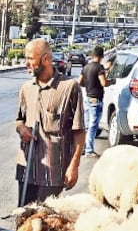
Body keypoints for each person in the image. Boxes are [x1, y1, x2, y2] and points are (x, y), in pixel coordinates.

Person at [15, 37, 86, 206]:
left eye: (30, 58)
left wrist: (74, 166)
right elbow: (19, 120)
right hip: (27, 169)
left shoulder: (69, 87)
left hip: (54, 173)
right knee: (24, 218)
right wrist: (21, 129)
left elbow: (79, 131)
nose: (26, 63)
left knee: (46, 222)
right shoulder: (26, 88)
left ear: (46, 59)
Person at [77, 45, 108, 157]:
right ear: (101, 56)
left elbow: (79, 82)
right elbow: (103, 83)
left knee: (86, 126)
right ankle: (89, 150)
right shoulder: (100, 68)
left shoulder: (86, 67)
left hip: (87, 98)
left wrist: (89, 84)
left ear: (92, 55)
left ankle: (82, 148)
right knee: (93, 126)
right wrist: (112, 81)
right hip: (96, 100)